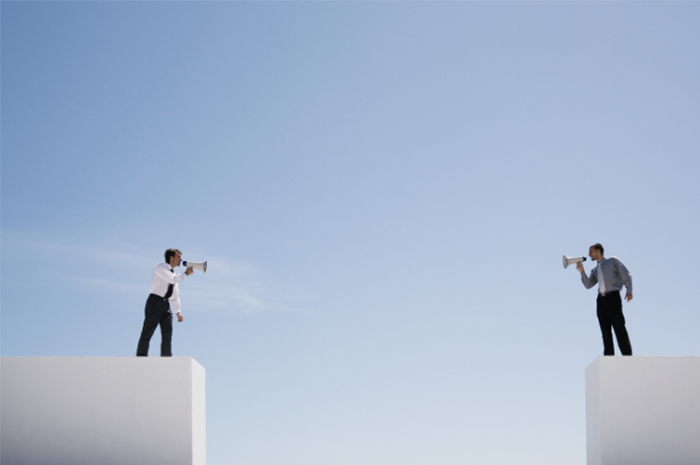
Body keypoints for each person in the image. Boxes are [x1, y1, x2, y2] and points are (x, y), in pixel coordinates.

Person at [577, 243, 633, 356]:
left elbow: (626, 275)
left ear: (598, 251)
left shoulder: (612, 261)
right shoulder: (595, 270)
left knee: (619, 327)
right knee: (605, 330)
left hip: (613, 297)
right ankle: (609, 356)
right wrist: (582, 272)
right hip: (601, 300)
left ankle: (627, 355)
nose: (589, 254)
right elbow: (588, 285)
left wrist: (629, 290)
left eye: (591, 252)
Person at [136, 249, 193, 356]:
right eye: (178, 257)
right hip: (154, 302)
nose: (181, 260)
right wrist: (185, 274)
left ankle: (166, 358)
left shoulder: (174, 275)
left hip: (165, 305)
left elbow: (174, 295)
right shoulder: (160, 267)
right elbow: (172, 279)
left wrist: (178, 311)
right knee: (148, 331)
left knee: (167, 333)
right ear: (171, 258)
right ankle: (141, 356)